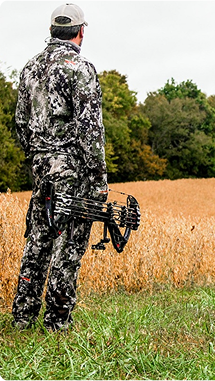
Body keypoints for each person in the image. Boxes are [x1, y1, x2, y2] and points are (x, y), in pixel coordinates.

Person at [12, 3, 107, 332]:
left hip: (42, 169)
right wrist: (98, 181)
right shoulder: (80, 67)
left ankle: (22, 317)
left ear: (53, 31)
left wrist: (39, 158)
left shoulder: (29, 67)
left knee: (37, 239)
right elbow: (90, 130)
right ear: (81, 31)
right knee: (68, 246)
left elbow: (20, 123)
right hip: (72, 172)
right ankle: (56, 323)